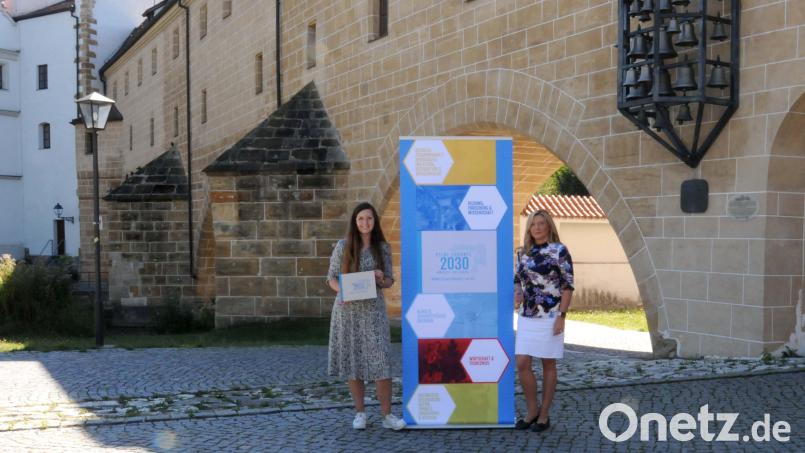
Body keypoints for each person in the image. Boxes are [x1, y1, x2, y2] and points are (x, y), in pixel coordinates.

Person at [326, 202, 406, 430]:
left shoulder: (383, 248)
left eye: (369, 219)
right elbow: (331, 277)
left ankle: (387, 415)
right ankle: (360, 413)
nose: (365, 223)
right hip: (347, 311)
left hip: (374, 312)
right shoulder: (343, 246)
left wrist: (381, 278)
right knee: (354, 362)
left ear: (374, 222)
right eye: (360, 219)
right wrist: (342, 290)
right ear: (355, 221)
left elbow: (390, 280)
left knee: (382, 362)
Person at [513, 209, 574, 433]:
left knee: (548, 364)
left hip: (551, 316)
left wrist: (562, 317)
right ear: (529, 228)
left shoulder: (559, 250)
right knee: (521, 363)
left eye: (541, 223)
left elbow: (568, 285)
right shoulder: (522, 253)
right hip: (528, 317)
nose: (537, 227)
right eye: (533, 224)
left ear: (549, 226)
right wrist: (517, 293)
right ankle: (532, 410)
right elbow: (517, 280)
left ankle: (544, 414)